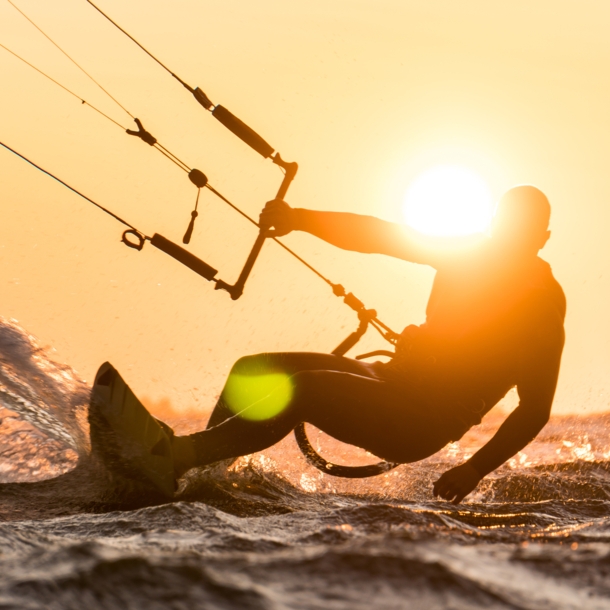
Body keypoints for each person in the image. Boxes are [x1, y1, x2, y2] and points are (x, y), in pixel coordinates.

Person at [149, 185, 566, 503]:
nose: (507, 237)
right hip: (394, 379)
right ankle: (202, 478)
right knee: (254, 369)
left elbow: (535, 408)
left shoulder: (541, 302)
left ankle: (178, 454)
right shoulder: (468, 253)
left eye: (521, 230)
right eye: (503, 225)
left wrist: (475, 468)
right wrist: (300, 219)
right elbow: (381, 236)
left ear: (541, 237)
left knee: (304, 388)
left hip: (423, 420)